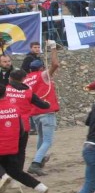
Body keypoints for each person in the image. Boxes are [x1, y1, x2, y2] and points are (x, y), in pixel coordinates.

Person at [0, 83, 49, 193]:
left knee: (8, 172)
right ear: (6, 93)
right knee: (16, 172)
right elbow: (21, 130)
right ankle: (40, 187)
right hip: (12, 146)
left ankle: (3, 176)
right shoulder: (15, 108)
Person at [26, 42, 61, 176]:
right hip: (46, 111)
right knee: (47, 140)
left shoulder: (27, 79)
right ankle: (35, 163)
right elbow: (55, 65)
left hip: (34, 113)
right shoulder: (43, 75)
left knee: (41, 138)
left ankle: (39, 162)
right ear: (41, 68)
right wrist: (53, 49)